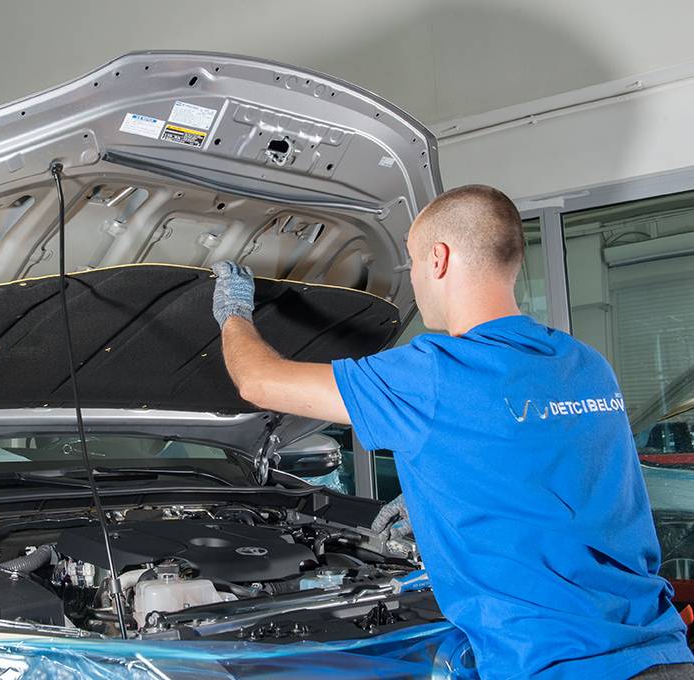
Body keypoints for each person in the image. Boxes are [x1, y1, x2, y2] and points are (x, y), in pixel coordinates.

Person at [209, 184, 694, 679]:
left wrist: (233, 312)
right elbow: (560, 475)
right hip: (661, 652)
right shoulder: (583, 363)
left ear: (438, 259)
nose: (414, 278)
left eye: (413, 262)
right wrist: (439, 492)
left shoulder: (433, 372)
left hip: (558, 665)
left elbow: (258, 382)